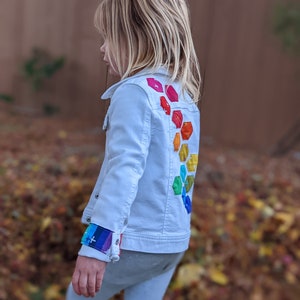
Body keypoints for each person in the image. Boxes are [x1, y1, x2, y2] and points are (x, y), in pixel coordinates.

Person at [66, 0, 201, 299]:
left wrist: (96, 246)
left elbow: (123, 172)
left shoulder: (134, 93)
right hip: (172, 243)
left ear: (136, 36)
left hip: (135, 243)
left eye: (108, 37)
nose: (102, 48)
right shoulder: (183, 94)